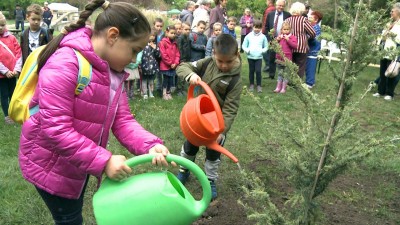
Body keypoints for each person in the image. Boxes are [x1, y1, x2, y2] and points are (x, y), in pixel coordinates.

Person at [19, 1, 175, 224]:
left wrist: (149, 145)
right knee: (69, 219)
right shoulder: (65, 63)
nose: (133, 60)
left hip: (77, 162)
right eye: (134, 51)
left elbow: (122, 120)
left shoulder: (111, 70)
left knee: (73, 213)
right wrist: (103, 162)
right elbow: (56, 128)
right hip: (50, 165)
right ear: (113, 35)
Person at [176, 34, 242, 200]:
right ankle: (184, 170)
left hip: (216, 124)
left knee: (213, 153)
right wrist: (190, 75)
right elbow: (182, 67)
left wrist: (222, 130)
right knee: (190, 146)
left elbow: (230, 108)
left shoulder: (235, 79)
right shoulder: (207, 63)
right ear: (214, 53)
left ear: (237, 55)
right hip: (197, 117)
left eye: (229, 61)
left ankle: (210, 179)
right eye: (220, 61)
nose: (224, 65)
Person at [373, 2, 400, 100]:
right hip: (384, 51)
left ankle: (389, 94)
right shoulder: (390, 23)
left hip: (393, 52)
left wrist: (391, 35)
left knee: (391, 73)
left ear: (398, 12)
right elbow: (383, 35)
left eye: (392, 11)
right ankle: (380, 91)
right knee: (382, 73)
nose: (390, 13)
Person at [0, 12, 22, 124]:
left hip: (13, 73)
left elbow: (19, 53)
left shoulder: (12, 37)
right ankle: (7, 115)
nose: (1, 27)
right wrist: (5, 71)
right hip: (2, 76)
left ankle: (14, 112)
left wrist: (16, 69)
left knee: (13, 93)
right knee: (3, 95)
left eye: (2, 25)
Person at [284, 2, 316, 78]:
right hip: (301, 46)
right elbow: (312, 33)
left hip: (289, 46)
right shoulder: (303, 20)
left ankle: (290, 80)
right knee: (300, 66)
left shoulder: (287, 20)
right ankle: (297, 82)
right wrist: (307, 38)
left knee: (291, 64)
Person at [264, 0, 291, 79]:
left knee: (283, 58)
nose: (281, 7)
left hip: (284, 40)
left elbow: (290, 27)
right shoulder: (270, 14)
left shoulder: (287, 15)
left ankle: (283, 76)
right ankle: (271, 75)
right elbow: (266, 27)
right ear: (276, 5)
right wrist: (269, 38)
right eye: (279, 5)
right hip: (273, 40)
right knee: (272, 57)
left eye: (283, 6)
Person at [242, 20, 268, 93]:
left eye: (259, 28)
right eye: (255, 27)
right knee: (251, 71)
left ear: (261, 28)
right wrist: (247, 50)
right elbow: (244, 45)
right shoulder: (249, 36)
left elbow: (266, 46)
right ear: (253, 27)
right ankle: (251, 84)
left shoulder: (263, 37)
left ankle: (259, 85)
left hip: (259, 57)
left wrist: (262, 51)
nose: (257, 29)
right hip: (250, 57)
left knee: (258, 71)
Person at [273, 22, 298, 94]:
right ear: (281, 30)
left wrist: (288, 40)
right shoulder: (280, 36)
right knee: (280, 73)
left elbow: (295, 46)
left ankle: (284, 88)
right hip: (279, 57)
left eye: (287, 29)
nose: (286, 31)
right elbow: (274, 44)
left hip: (287, 58)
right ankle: (278, 87)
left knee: (286, 73)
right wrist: (277, 40)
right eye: (284, 29)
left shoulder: (292, 37)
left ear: (290, 30)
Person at [159, 25, 180, 100]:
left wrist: (176, 63)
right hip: (165, 66)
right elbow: (163, 55)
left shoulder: (175, 43)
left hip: (173, 66)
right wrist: (170, 63)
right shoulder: (163, 42)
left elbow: (177, 54)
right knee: (165, 80)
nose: (173, 35)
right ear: (167, 33)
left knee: (171, 80)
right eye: (171, 33)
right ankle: (164, 93)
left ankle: (168, 93)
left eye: (174, 33)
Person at [305, 11, 323, 89]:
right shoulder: (311, 26)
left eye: (310, 17)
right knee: (308, 66)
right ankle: (311, 81)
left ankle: (309, 83)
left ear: (316, 20)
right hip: (310, 50)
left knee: (310, 67)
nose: (308, 18)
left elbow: (311, 38)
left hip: (313, 51)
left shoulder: (316, 28)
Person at [141, 30, 160, 99]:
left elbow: (158, 55)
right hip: (144, 65)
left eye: (153, 36)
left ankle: (151, 93)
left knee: (151, 80)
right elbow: (140, 55)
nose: (152, 37)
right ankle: (144, 93)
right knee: (144, 80)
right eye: (150, 35)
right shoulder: (143, 44)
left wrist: (155, 48)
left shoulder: (155, 45)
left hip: (152, 66)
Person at [262, 0, 276, 72]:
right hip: (272, 31)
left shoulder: (269, 10)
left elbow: (265, 22)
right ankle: (270, 65)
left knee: (264, 48)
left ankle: (268, 65)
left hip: (267, 31)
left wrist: (263, 31)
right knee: (271, 49)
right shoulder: (275, 8)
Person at [153, 17, 164, 97]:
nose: (159, 28)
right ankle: (148, 87)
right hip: (152, 55)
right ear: (154, 25)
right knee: (150, 72)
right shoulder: (151, 34)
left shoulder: (163, 34)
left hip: (160, 56)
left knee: (159, 73)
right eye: (157, 26)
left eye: (160, 26)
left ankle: (159, 87)